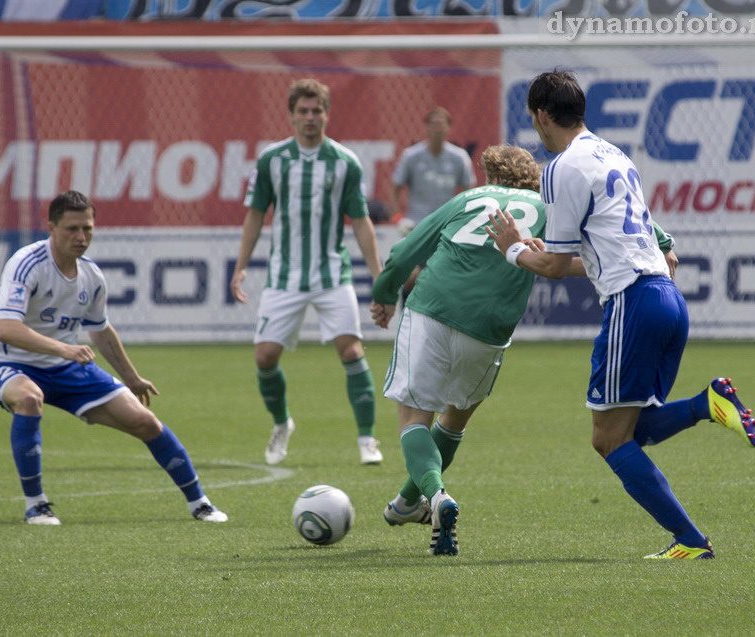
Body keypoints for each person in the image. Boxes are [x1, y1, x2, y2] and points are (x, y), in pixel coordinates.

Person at [486, 69, 755, 560]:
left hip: (633, 302)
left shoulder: (562, 166)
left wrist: (511, 250)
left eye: (534, 119)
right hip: (667, 299)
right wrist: (544, 250)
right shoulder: (614, 154)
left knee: (608, 440)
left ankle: (692, 541)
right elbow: (604, 253)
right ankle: (707, 405)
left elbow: (550, 267)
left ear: (542, 116)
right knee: (634, 429)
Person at [370, 144, 575, 555]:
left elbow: (404, 253)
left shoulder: (469, 198)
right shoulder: (551, 207)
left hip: (432, 309)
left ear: (491, 176)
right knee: (455, 420)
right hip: (488, 329)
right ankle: (408, 502)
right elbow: (610, 226)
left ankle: (437, 497)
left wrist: (384, 294)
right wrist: (661, 241)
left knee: (413, 417)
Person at [0, 190, 228, 525]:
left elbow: (101, 329)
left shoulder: (92, 276)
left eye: (87, 228)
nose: (81, 237)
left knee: (146, 422)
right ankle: (36, 504)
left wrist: (132, 377)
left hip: (67, 368)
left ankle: (200, 503)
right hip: (11, 364)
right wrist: (64, 348)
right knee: (29, 399)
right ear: (51, 227)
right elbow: (7, 328)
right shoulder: (26, 264)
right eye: (71, 229)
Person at [230, 78, 384, 466]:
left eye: (317, 110)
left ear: (327, 114)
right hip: (284, 276)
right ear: (291, 116)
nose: (310, 117)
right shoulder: (272, 160)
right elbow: (254, 215)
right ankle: (282, 423)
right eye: (303, 111)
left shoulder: (345, 161)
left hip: (332, 273)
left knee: (350, 349)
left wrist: (379, 275)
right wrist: (241, 267)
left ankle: (367, 439)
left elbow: (361, 222)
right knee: (264, 357)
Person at [389, 107, 477, 300]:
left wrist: (462, 220)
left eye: (441, 124)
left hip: (446, 229)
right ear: (426, 127)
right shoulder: (411, 155)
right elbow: (394, 187)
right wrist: (398, 217)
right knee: (411, 278)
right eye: (433, 124)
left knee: (444, 279)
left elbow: (470, 191)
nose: (437, 128)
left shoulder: (458, 157)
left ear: (449, 128)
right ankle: (408, 323)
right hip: (416, 227)